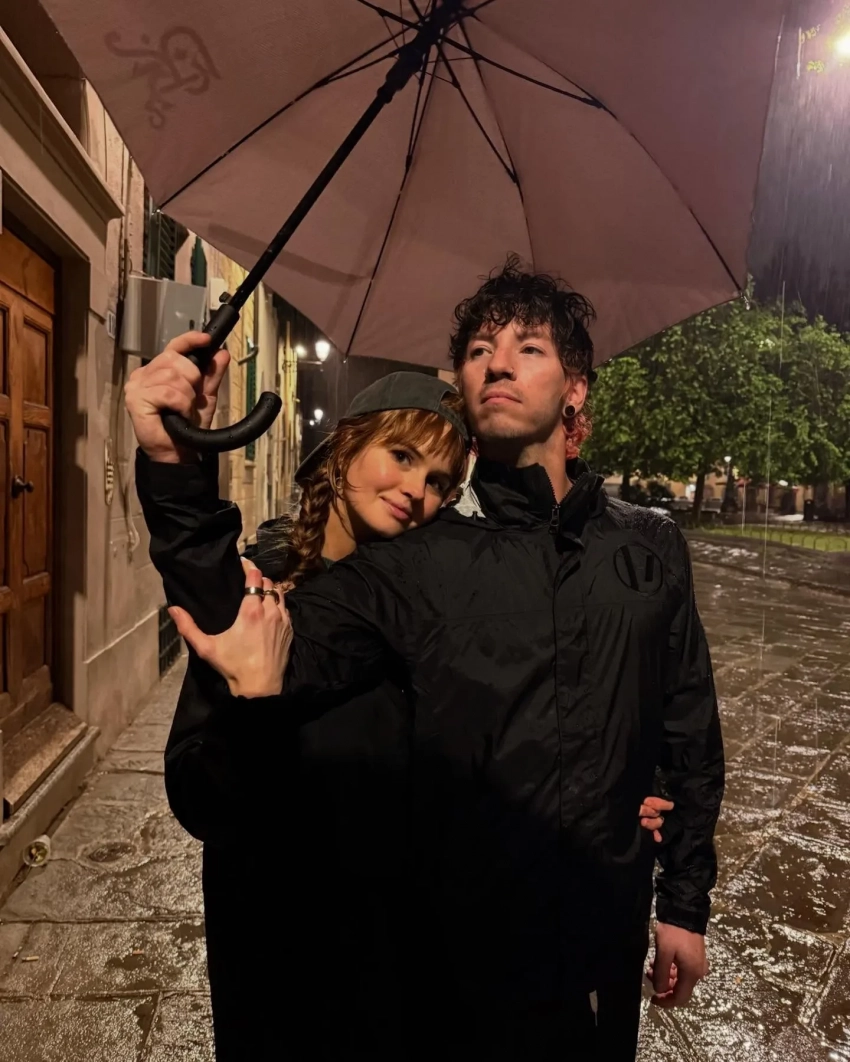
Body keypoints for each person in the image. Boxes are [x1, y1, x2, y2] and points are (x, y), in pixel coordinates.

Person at [129, 259, 716, 1060]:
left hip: (594, 956)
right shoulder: (419, 563)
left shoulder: (649, 544)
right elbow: (244, 627)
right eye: (478, 350)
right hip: (435, 975)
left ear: (576, 388)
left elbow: (684, 723)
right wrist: (175, 469)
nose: (498, 363)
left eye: (528, 348)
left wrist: (673, 880)